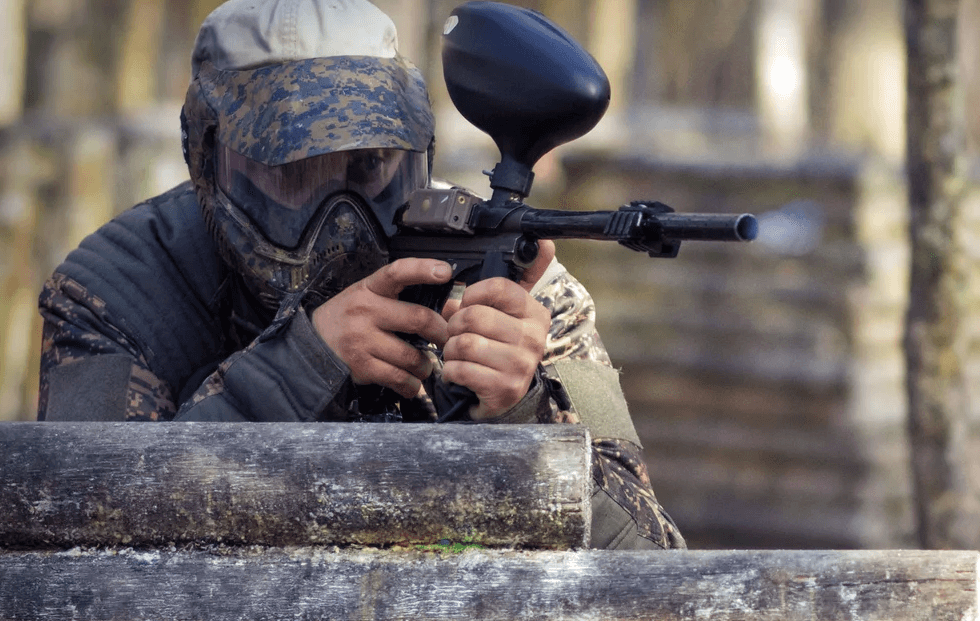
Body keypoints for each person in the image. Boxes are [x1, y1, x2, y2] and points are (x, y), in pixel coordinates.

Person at [36, 0, 684, 550]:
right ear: (209, 161)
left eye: (370, 166)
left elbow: (648, 559)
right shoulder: (117, 290)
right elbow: (74, 537)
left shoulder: (513, 288)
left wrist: (522, 418)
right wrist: (299, 368)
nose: (342, 217)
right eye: (295, 173)